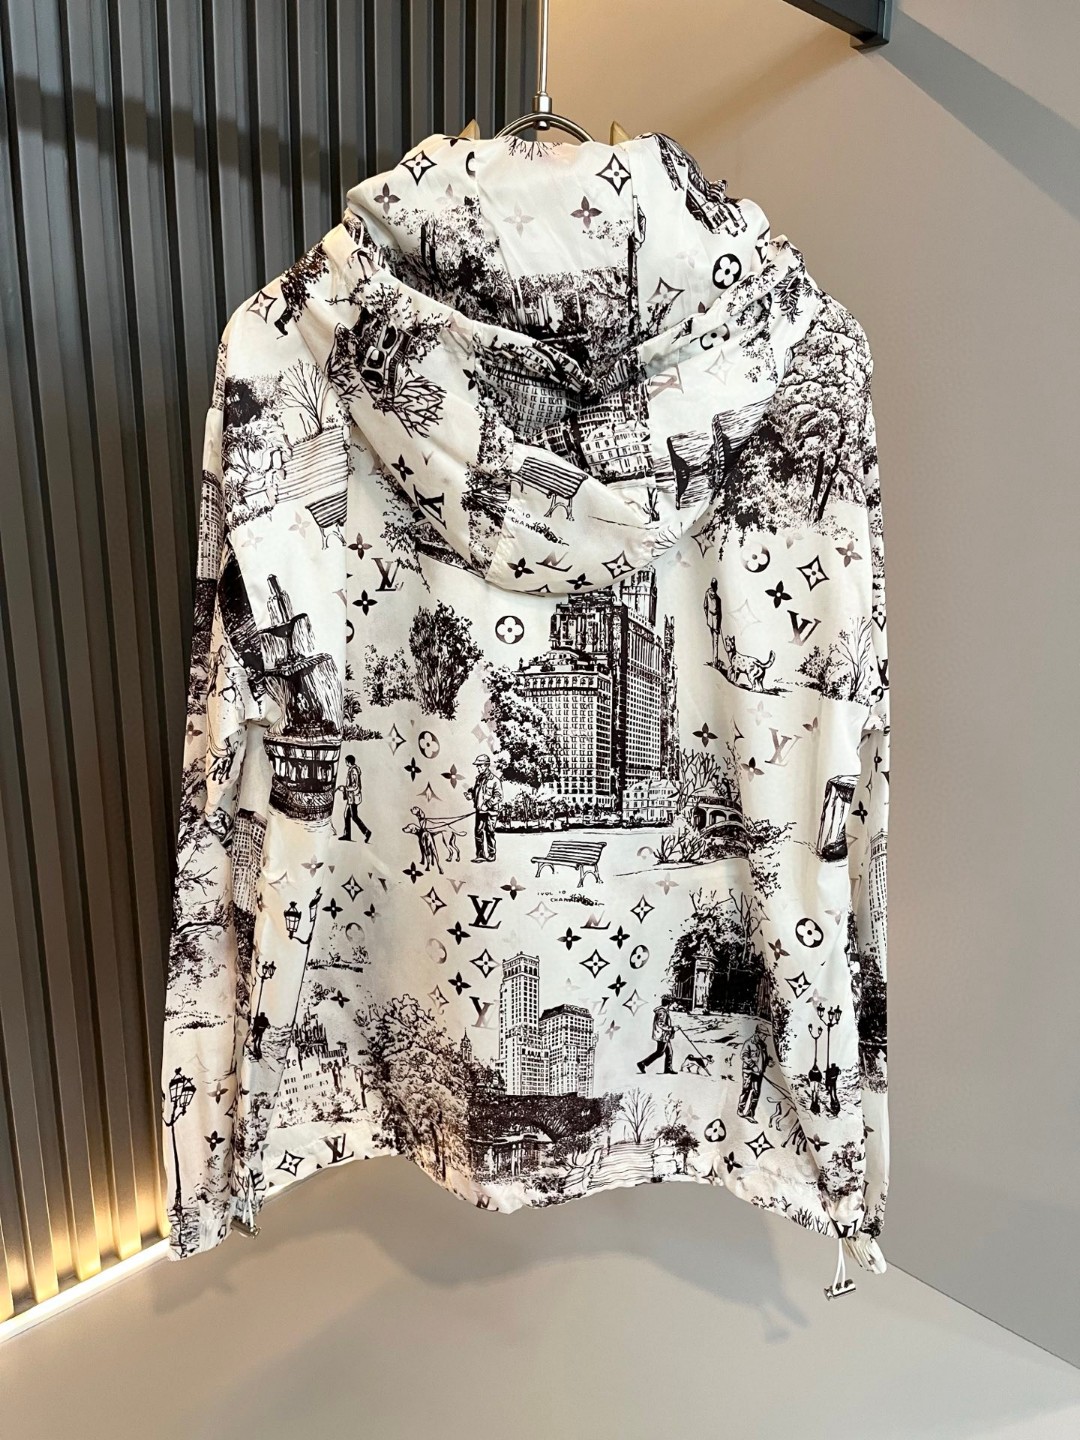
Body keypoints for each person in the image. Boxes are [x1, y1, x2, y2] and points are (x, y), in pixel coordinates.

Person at [466, 753, 502, 862]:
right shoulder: (479, 779)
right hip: (480, 812)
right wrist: (471, 795)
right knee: (478, 832)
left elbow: (498, 796)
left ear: (486, 765)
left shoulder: (495, 780)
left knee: (489, 832)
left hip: (491, 812)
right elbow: (476, 792)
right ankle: (480, 855)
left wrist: (487, 805)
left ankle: (491, 854)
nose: (478, 768)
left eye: (480, 766)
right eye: (477, 766)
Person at [737, 1027, 772, 1120]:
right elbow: (743, 1056)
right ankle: (740, 1110)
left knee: (756, 1092)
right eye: (764, 1035)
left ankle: (750, 1113)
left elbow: (765, 1057)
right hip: (748, 1071)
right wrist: (752, 1065)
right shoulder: (748, 1043)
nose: (765, 1037)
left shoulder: (763, 1045)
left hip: (758, 1073)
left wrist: (769, 1062)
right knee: (746, 1090)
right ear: (758, 1033)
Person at [638, 993, 678, 1074]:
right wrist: (672, 1028)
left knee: (669, 1052)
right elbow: (661, 1024)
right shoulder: (662, 1012)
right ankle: (642, 1063)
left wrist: (672, 1028)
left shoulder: (664, 1011)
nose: (673, 1004)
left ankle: (668, 1068)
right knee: (660, 1052)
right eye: (672, 1002)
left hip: (665, 1035)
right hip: (662, 1036)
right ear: (669, 1003)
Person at [339, 754, 372, 843]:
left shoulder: (353, 771)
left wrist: (345, 788)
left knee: (354, 817)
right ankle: (347, 834)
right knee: (347, 815)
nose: (345, 763)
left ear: (349, 762)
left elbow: (355, 786)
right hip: (351, 797)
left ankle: (366, 832)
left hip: (353, 798)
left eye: (346, 761)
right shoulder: (352, 769)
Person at [703, 576, 723, 665]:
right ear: (716, 587)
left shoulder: (707, 593)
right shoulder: (718, 599)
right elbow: (720, 614)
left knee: (714, 641)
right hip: (716, 622)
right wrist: (718, 625)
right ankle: (715, 661)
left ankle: (714, 660)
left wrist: (708, 616)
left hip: (710, 621)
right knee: (715, 641)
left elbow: (705, 606)